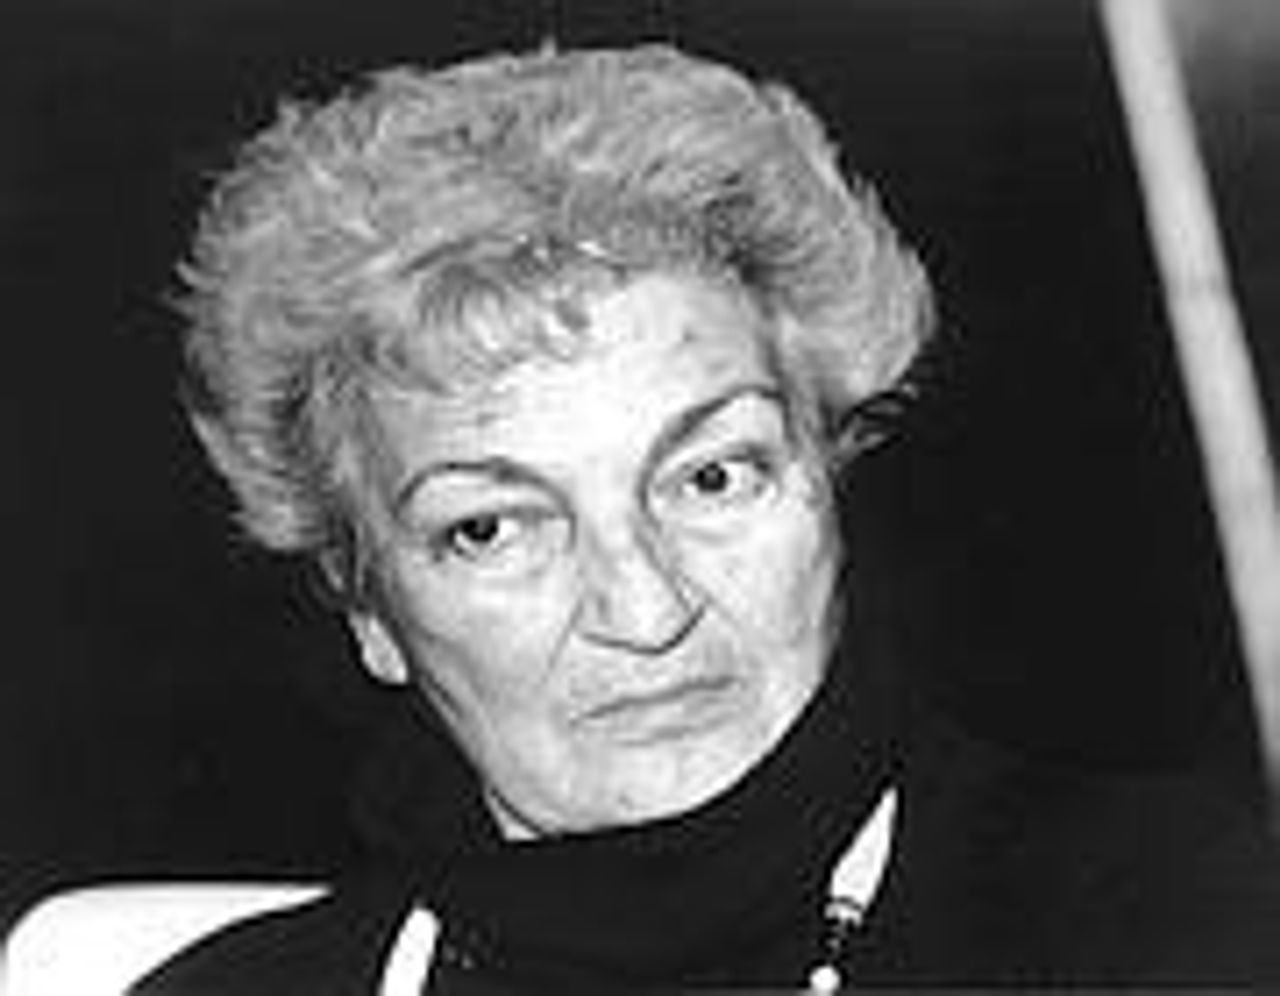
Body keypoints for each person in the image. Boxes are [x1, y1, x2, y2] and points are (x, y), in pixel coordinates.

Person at [131, 44, 1276, 993]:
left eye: (711, 478)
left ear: (829, 477)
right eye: (490, 529)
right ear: (368, 609)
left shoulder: (1185, 920)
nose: (644, 611)